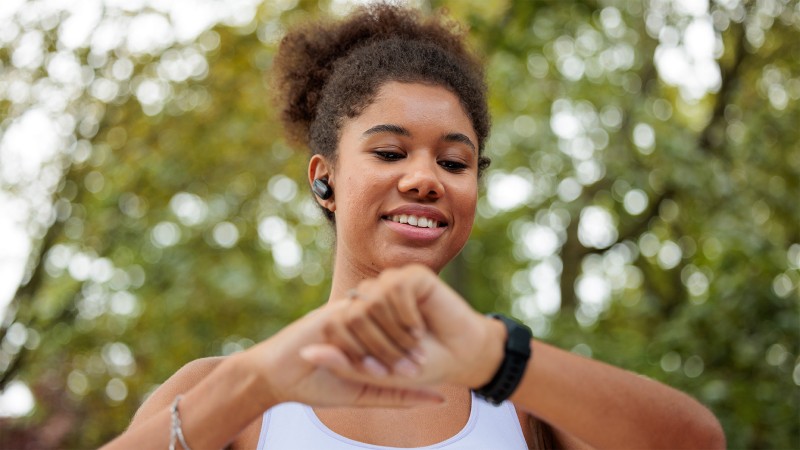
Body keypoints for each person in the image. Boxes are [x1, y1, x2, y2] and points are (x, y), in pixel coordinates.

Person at [102, 4, 725, 449]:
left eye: (455, 162)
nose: (426, 178)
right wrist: (257, 380)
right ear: (325, 180)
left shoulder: (526, 403)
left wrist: (493, 356)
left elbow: (697, 441)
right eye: (390, 153)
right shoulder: (225, 396)